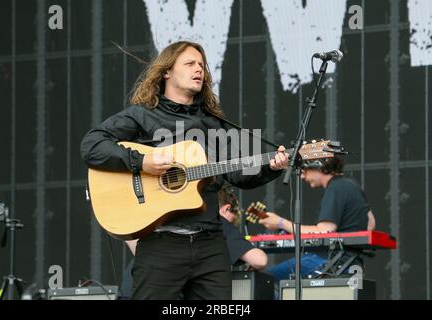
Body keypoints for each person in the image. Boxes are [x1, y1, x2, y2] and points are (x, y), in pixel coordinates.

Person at [80, 41, 288, 300]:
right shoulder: (142, 116)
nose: (199, 69)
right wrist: (141, 162)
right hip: (161, 243)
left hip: (210, 243)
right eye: (190, 63)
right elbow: (92, 145)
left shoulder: (214, 124)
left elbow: (235, 174)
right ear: (166, 71)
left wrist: (271, 166)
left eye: (201, 65)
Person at [117, 184, 268, 300]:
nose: (233, 225)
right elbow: (259, 260)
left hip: (130, 290)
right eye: (234, 220)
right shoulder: (216, 222)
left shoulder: (161, 214)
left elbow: (131, 237)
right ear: (226, 209)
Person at [258, 156, 376, 281]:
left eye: (304, 170)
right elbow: (371, 223)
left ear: (319, 166)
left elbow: (324, 231)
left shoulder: (336, 187)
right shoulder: (352, 184)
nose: (302, 176)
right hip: (352, 262)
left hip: (330, 261)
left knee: (265, 280)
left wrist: (280, 223)